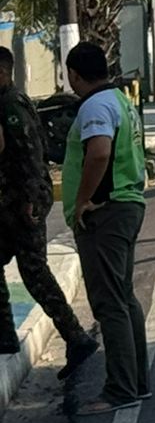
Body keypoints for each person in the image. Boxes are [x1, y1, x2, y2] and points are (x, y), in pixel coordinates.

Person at [61, 42, 147, 415]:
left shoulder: (95, 105)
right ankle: (136, 381)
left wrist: (82, 200)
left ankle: (120, 389)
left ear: (75, 75)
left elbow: (98, 152)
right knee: (124, 297)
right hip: (126, 205)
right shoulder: (120, 99)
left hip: (106, 212)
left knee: (110, 303)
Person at [0, 46, 97, 374]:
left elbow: (28, 154)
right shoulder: (12, 101)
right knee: (30, 271)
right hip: (14, 201)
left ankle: (75, 336)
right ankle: (7, 335)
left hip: (21, 203)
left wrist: (29, 199)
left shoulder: (10, 105)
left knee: (35, 273)